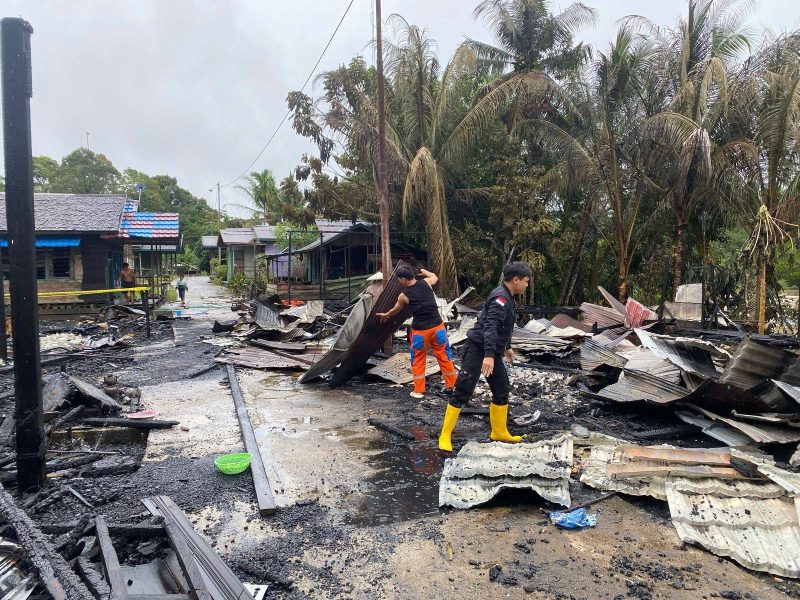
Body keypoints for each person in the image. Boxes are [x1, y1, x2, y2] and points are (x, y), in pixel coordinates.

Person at [438, 261, 531, 452]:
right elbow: (491, 326)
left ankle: (499, 432)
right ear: (516, 280)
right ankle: (445, 435)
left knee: (501, 389)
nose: (526, 285)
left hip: (492, 351)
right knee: (463, 389)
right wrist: (488, 355)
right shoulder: (500, 298)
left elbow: (504, 327)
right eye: (526, 281)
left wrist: (507, 347)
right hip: (478, 349)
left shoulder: (509, 297)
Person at [376, 266, 457, 399]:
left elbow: (396, 309)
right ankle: (453, 386)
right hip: (438, 328)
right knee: (444, 357)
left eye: (399, 280)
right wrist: (424, 271)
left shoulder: (404, 295)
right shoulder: (426, 282)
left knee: (418, 360)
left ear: (403, 279)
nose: (399, 282)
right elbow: (434, 276)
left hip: (421, 332)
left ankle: (419, 390)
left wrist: (386, 314)